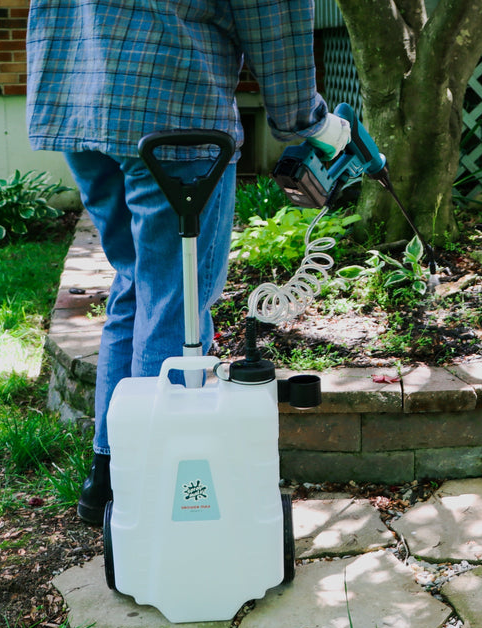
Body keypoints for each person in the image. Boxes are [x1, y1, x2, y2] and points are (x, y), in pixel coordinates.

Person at [25, 0, 350, 525]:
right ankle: (157, 488)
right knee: (175, 304)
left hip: (76, 102)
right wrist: (309, 121)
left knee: (137, 285)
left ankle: (108, 475)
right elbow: (273, 13)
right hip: (172, 111)